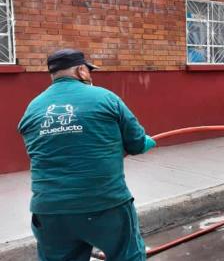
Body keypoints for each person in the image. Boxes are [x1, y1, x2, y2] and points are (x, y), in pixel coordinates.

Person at [18, 49, 156, 261]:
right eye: (89, 71)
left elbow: (43, 150)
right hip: (105, 204)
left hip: (49, 211)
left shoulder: (32, 108)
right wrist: (147, 142)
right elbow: (136, 143)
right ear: (82, 71)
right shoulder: (105, 98)